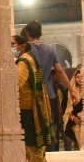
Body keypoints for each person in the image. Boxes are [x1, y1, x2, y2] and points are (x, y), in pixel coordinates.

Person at [24, 21, 77, 149]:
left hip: (31, 95)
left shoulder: (26, 50)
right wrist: (72, 90)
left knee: (32, 128)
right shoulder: (50, 49)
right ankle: (50, 153)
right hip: (49, 95)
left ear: (27, 34)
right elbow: (59, 70)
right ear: (41, 33)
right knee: (49, 127)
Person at [14, 33, 55, 162]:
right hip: (33, 106)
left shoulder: (24, 61)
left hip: (27, 108)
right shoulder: (30, 59)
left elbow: (16, 82)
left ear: (22, 45)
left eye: (13, 44)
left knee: (31, 143)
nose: (12, 47)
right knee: (35, 143)